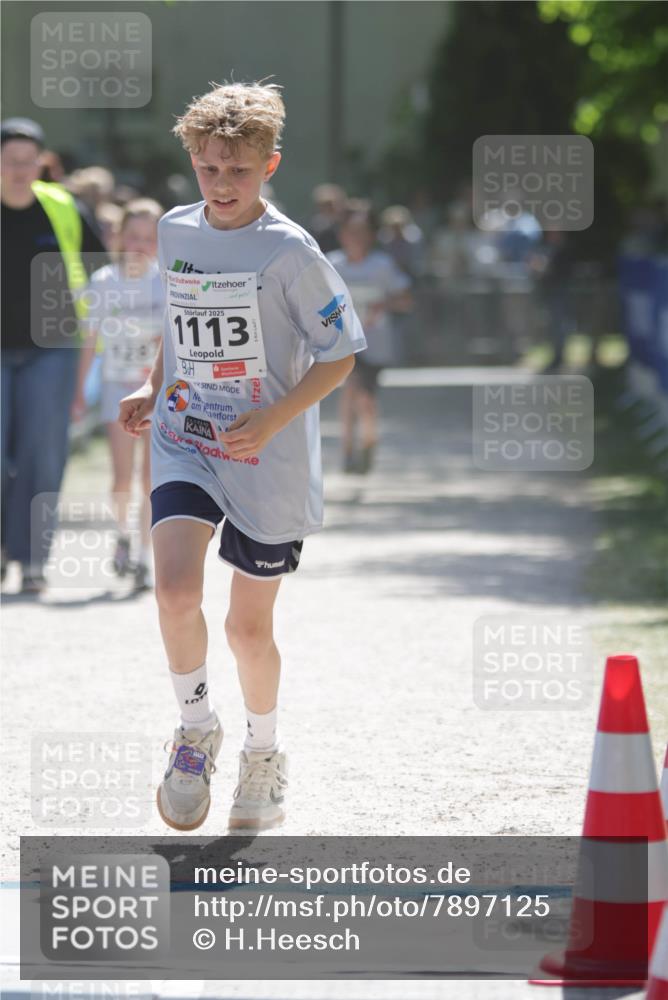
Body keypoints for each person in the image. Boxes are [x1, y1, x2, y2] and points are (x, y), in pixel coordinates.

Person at [118, 81, 366, 831]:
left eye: (239, 171)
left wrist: (273, 416)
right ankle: (195, 730)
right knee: (173, 592)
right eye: (208, 169)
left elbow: (342, 355)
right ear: (193, 162)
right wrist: (152, 383)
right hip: (188, 434)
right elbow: (176, 314)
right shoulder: (174, 230)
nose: (222, 185)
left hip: (267, 452)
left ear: (270, 166)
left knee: (246, 630)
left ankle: (263, 755)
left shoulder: (291, 251)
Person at [1, 117, 107, 592]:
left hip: (54, 348)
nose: (20, 170)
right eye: (10, 161)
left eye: (29, 161)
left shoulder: (64, 208)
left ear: (41, 162)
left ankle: (32, 557)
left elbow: (101, 274)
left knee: (42, 452)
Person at [73, 199, 165, 590]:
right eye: (133, 236)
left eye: (148, 237)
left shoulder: (168, 281)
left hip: (157, 390)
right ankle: (122, 535)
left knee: (151, 478)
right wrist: (78, 392)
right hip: (117, 387)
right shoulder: (104, 282)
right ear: (119, 237)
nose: (140, 245)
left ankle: (145, 556)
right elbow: (89, 341)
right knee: (122, 476)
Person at [328, 211, 412, 474]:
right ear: (342, 236)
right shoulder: (332, 265)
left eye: (362, 233)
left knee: (365, 399)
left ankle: (368, 442)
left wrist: (382, 304)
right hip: (344, 342)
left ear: (371, 236)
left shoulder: (381, 265)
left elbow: (406, 300)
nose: (356, 239)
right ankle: (348, 450)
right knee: (351, 389)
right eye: (351, 233)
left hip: (375, 344)